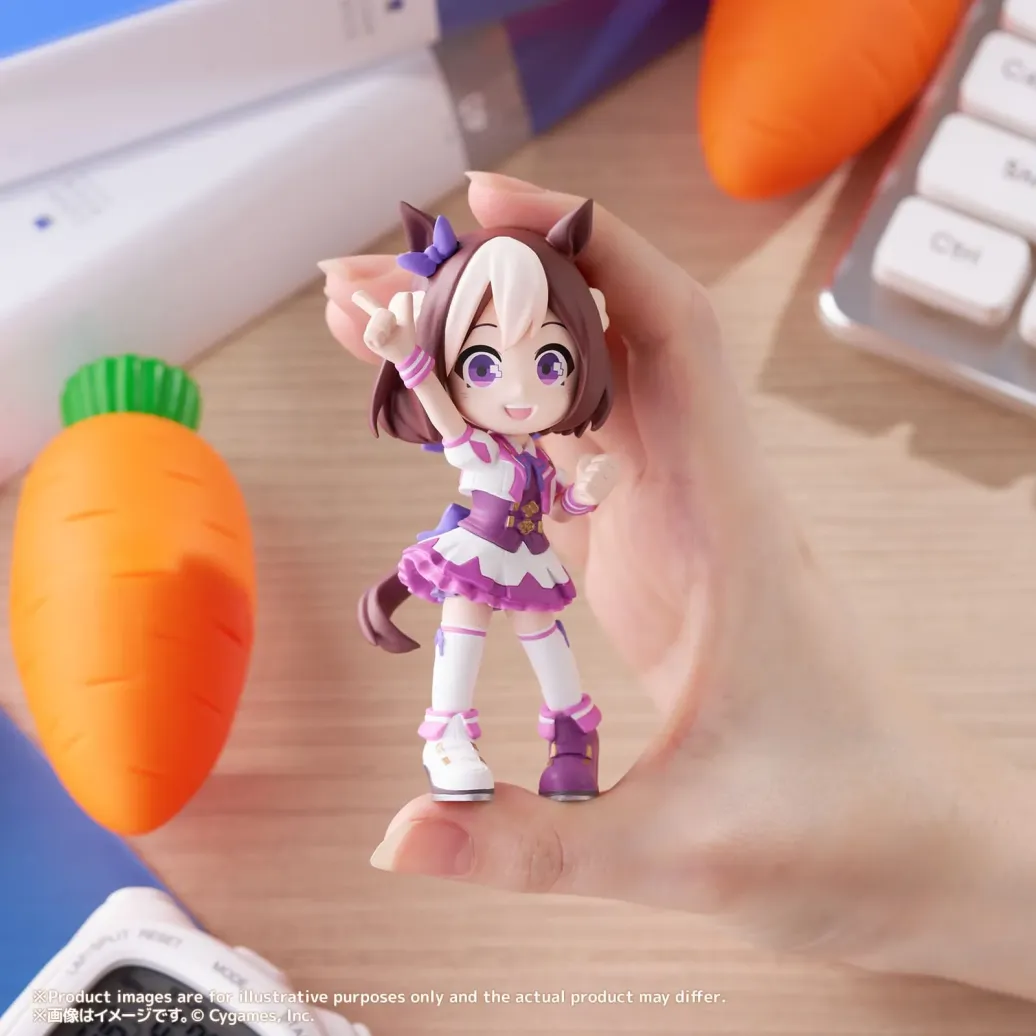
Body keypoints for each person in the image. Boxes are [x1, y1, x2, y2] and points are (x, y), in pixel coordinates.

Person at [320, 172, 1036, 1004]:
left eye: (549, 360)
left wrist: (585, 491)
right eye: (483, 362)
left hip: (528, 550)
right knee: (467, 629)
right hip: (479, 548)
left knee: (549, 645)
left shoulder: (532, 456)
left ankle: (572, 741)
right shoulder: (477, 447)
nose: (516, 390)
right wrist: (407, 354)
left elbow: (555, 503)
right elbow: (447, 416)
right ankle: (450, 736)